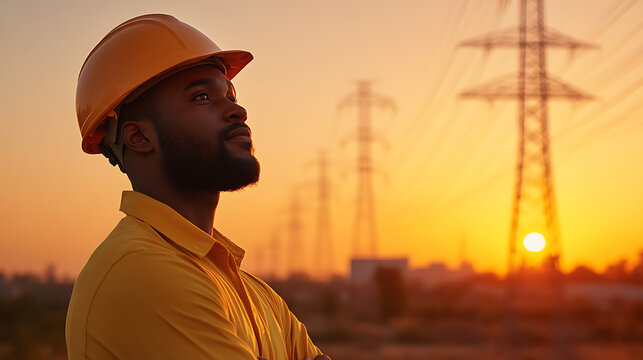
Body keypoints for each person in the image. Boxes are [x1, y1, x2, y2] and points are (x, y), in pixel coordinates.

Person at [66, 14, 330, 360]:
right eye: (202, 97)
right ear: (138, 136)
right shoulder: (140, 271)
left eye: (231, 95)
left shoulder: (251, 292)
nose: (239, 111)